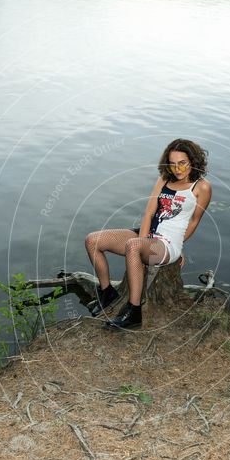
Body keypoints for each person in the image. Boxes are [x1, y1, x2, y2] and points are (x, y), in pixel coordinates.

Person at [84, 138, 212, 329]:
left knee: (133, 246)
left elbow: (193, 221)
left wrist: (179, 246)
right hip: (147, 236)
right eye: (173, 164)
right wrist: (144, 240)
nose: (177, 169)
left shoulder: (202, 187)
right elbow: (149, 213)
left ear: (193, 161)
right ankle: (107, 293)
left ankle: (134, 312)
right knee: (92, 240)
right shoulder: (164, 180)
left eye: (182, 163)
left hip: (168, 244)